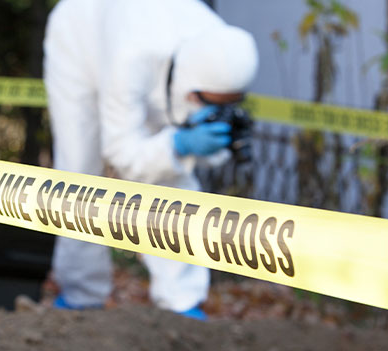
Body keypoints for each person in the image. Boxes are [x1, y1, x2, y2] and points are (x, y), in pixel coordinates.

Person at [43, 0, 258, 319]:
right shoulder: (132, 56)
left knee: (170, 177)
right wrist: (179, 144)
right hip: (81, 41)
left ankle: (181, 302)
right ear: (191, 90)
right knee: (79, 171)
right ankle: (81, 293)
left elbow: (171, 164)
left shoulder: (218, 44)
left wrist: (205, 142)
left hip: (150, 62)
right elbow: (121, 152)